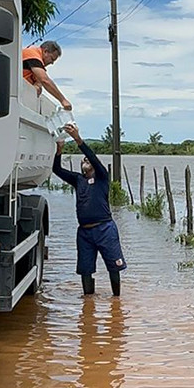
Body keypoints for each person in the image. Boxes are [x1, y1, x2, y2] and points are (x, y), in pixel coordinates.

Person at [53, 123, 126, 296]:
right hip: (85, 233)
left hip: (105, 229)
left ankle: (117, 300)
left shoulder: (102, 177)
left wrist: (78, 139)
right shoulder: (78, 180)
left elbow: (92, 157)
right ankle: (88, 305)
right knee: (85, 269)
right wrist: (59, 150)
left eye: (88, 160)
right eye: (83, 160)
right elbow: (56, 169)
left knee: (113, 266)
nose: (85, 161)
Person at [22, 40, 72, 110]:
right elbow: (44, 80)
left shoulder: (37, 65)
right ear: (45, 51)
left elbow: (39, 82)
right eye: (52, 59)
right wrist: (63, 100)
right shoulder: (32, 54)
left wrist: (37, 84)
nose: (52, 63)